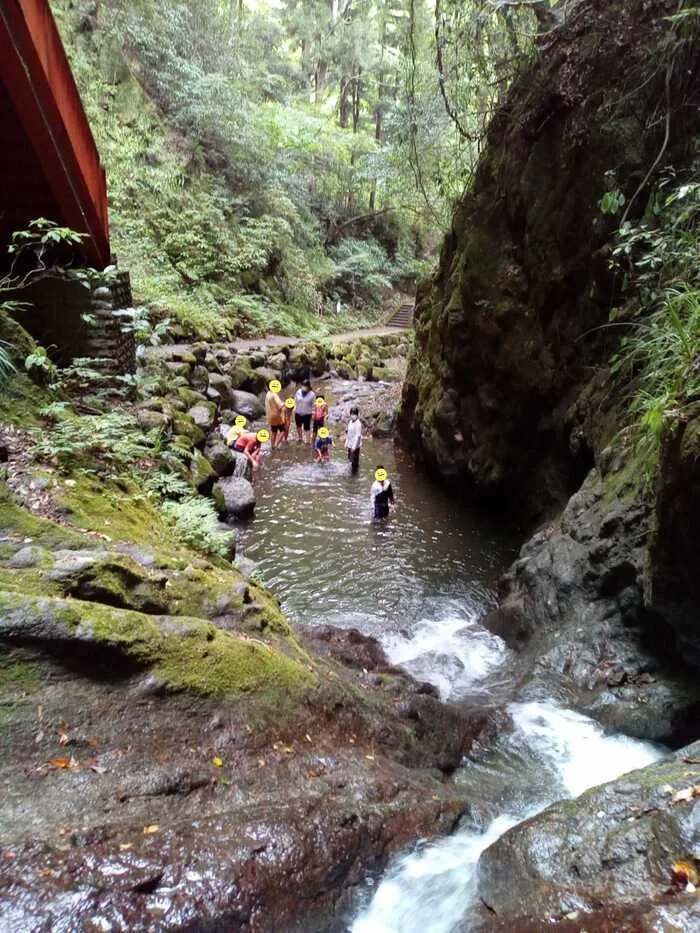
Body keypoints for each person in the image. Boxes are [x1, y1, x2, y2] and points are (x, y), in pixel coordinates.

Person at [294, 379, 316, 444]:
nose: (304, 387)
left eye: (305, 386)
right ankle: (300, 438)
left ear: (309, 387)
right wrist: (294, 409)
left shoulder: (312, 394)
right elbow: (295, 401)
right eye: (303, 385)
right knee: (298, 426)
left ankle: (307, 441)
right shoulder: (298, 392)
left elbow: (314, 405)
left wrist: (313, 413)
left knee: (307, 428)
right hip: (298, 412)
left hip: (307, 414)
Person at [265, 380, 286, 448]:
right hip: (277, 416)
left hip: (270, 416)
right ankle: (276, 445)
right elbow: (280, 405)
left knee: (274, 432)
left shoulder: (268, 394)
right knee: (283, 430)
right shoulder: (274, 395)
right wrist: (285, 405)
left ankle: (272, 445)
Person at [345, 406, 362, 474]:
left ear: (357, 415)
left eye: (354, 414)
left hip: (355, 446)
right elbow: (348, 433)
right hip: (350, 444)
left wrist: (354, 447)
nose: (353, 415)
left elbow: (358, 436)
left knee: (354, 462)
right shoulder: (350, 422)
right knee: (350, 459)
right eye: (352, 414)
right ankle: (351, 472)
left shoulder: (358, 424)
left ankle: (354, 474)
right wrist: (346, 442)